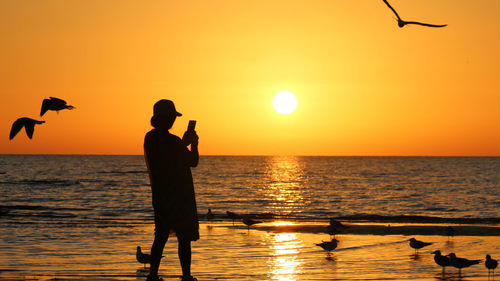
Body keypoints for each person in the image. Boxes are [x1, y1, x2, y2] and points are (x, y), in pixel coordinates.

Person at [144, 99, 199, 281]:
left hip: (160, 196)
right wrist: (194, 144)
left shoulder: (150, 139)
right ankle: (186, 275)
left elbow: (170, 157)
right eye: (172, 117)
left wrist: (183, 142)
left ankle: (152, 275)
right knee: (183, 239)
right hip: (179, 197)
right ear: (168, 119)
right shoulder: (173, 141)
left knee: (160, 237)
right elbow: (192, 161)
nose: (173, 121)